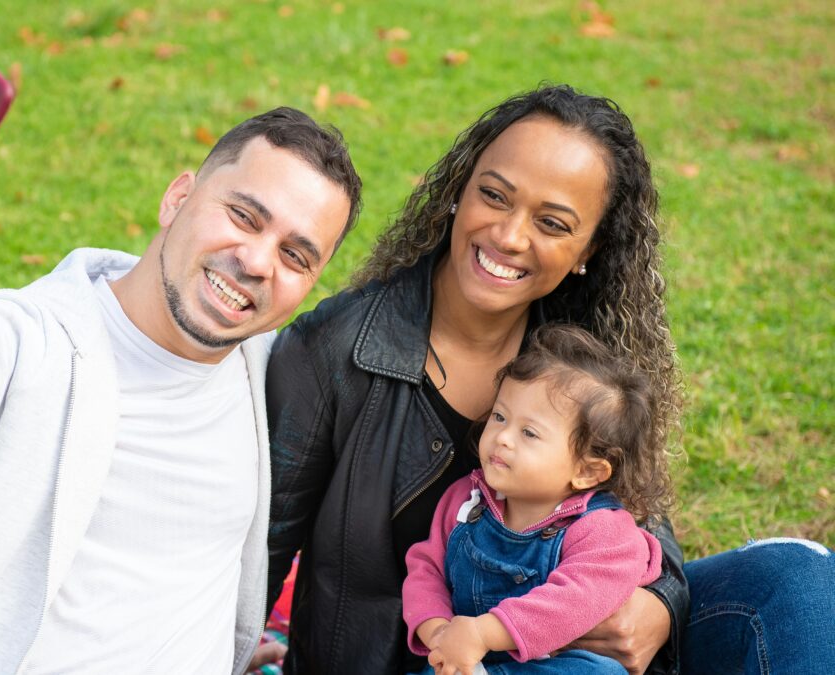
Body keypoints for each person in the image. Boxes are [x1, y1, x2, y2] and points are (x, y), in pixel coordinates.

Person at [0, 98, 361, 674]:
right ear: (178, 198)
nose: (258, 261)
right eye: (244, 216)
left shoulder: (272, 371)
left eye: (296, 256)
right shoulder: (23, 345)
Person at [264, 83, 835, 675]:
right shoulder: (335, 348)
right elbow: (260, 550)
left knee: (797, 578)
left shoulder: (580, 353)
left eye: (553, 223)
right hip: (414, 662)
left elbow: (637, 512)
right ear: (459, 190)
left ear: (590, 249)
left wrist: (662, 605)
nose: (510, 237)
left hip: (567, 655)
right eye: (493, 195)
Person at [403, 324, 667, 675]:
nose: (502, 438)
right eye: (499, 417)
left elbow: (574, 600)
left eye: (529, 433)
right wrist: (439, 633)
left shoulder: (605, 531)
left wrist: (484, 632)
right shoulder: (467, 502)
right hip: (463, 661)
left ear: (588, 472)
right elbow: (426, 570)